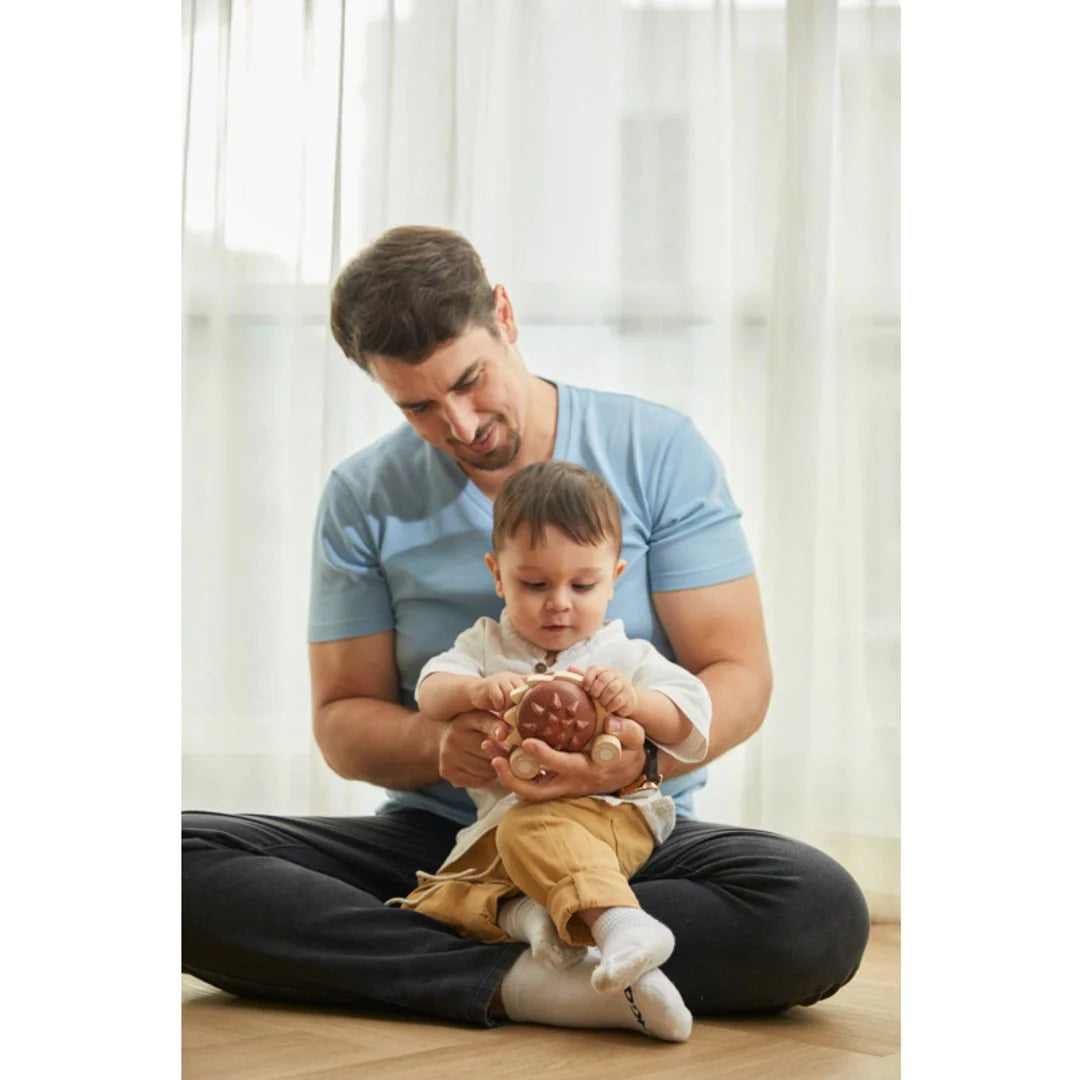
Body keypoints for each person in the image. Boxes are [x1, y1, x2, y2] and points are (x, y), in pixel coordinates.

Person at [182, 225, 870, 1039]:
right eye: (418, 407)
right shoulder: (363, 495)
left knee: (814, 911)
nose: (461, 424)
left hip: (629, 825)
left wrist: (619, 757)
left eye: (470, 381)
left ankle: (469, 952)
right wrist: (441, 750)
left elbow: (738, 676)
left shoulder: (657, 451)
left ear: (503, 314)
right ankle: (540, 980)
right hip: (448, 835)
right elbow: (342, 720)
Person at [393, 460, 713, 1042]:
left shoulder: (624, 655)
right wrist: (472, 690)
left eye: (583, 585)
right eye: (534, 585)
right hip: (499, 836)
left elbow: (694, 720)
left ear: (614, 577)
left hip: (608, 820)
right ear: (497, 575)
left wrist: (636, 701)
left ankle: (623, 924)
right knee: (430, 900)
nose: (558, 603)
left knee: (527, 834)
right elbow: (431, 690)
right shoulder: (486, 644)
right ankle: (541, 921)